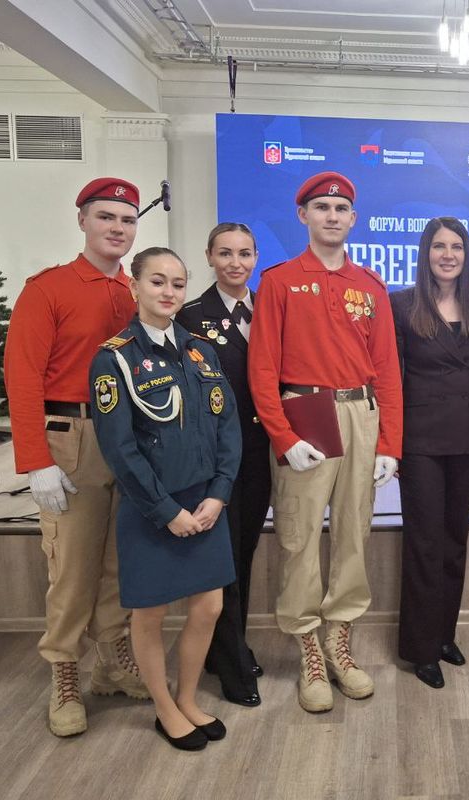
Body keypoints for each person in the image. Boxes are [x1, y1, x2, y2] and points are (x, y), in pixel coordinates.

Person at [248, 171, 403, 713]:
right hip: (305, 413)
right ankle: (308, 647)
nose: (332, 216)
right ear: (303, 216)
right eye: (322, 207)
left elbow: (387, 370)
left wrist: (390, 444)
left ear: (353, 219)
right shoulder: (280, 281)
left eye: (340, 208)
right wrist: (283, 434)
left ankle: (340, 639)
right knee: (299, 535)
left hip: (361, 412)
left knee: (355, 532)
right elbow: (261, 368)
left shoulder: (371, 286)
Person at [3, 177, 150, 737]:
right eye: (106, 216)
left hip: (128, 437)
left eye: (127, 220)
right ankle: (64, 669)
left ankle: (112, 662)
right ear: (83, 220)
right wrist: (36, 459)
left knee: (119, 561)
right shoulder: (49, 288)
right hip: (75, 436)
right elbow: (22, 376)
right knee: (71, 566)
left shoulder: (135, 293)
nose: (117, 228)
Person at [90, 247, 241, 752]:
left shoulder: (201, 351)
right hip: (151, 507)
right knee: (150, 614)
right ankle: (163, 708)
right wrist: (165, 511)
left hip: (205, 503)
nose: (169, 292)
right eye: (157, 281)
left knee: (209, 607)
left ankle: (188, 697)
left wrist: (219, 494)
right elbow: (119, 448)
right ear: (134, 287)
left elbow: (227, 427)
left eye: (178, 283)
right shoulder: (114, 358)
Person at [391, 217, 469, 689]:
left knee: (455, 540)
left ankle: (445, 634)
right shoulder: (401, 304)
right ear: (425, 252)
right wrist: (389, 442)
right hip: (420, 440)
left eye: (456, 246)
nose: (448, 254)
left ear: (467, 255)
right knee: (425, 543)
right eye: (438, 246)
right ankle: (420, 647)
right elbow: (391, 377)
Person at [176, 223, 270, 707]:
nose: (236, 263)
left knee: (244, 552)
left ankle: (227, 646)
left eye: (245, 253)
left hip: (261, 452)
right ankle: (233, 665)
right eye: (226, 253)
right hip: (216, 457)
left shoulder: (270, 308)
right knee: (223, 557)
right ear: (210, 257)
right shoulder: (191, 316)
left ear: (256, 257)